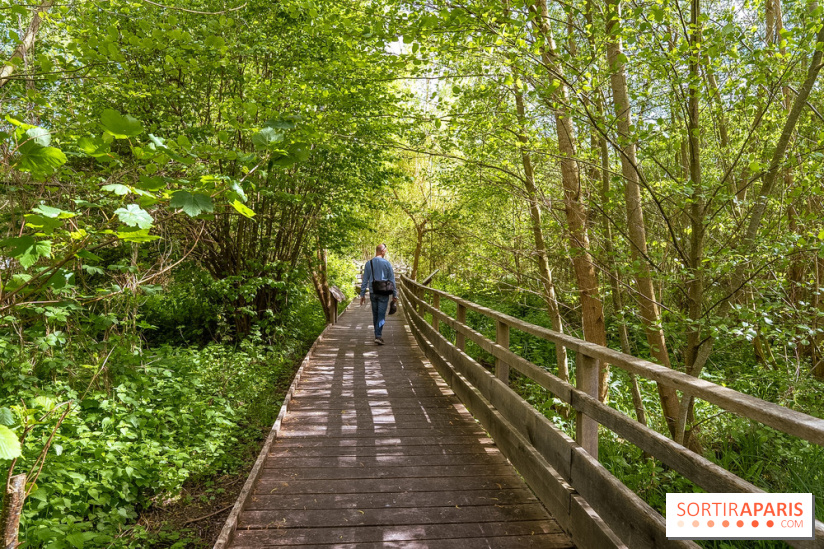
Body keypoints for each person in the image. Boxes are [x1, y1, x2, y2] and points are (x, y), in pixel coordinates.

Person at [360, 244, 398, 345]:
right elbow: (392, 280)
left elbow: (365, 280)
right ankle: (378, 336)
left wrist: (362, 294)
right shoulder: (387, 264)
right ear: (382, 251)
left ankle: (377, 334)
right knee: (381, 315)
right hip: (384, 292)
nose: (385, 252)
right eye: (385, 250)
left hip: (373, 292)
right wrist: (395, 294)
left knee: (375, 314)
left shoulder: (369, 263)